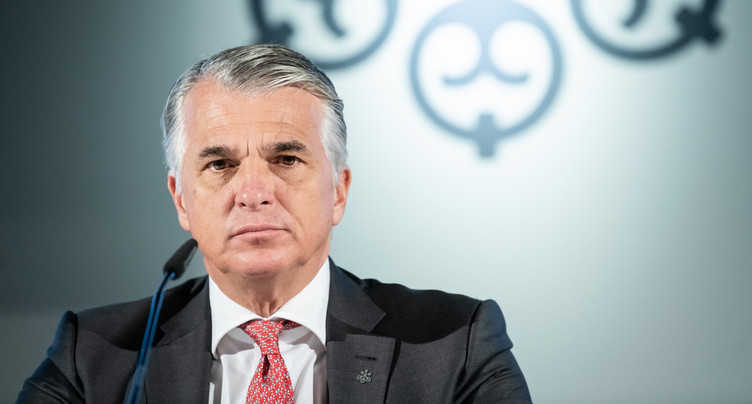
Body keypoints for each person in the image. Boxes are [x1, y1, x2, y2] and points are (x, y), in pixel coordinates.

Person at [17, 44, 531, 403]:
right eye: (220, 164)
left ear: (339, 191)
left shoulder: (455, 344)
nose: (253, 193)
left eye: (286, 159)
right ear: (181, 200)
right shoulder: (95, 354)